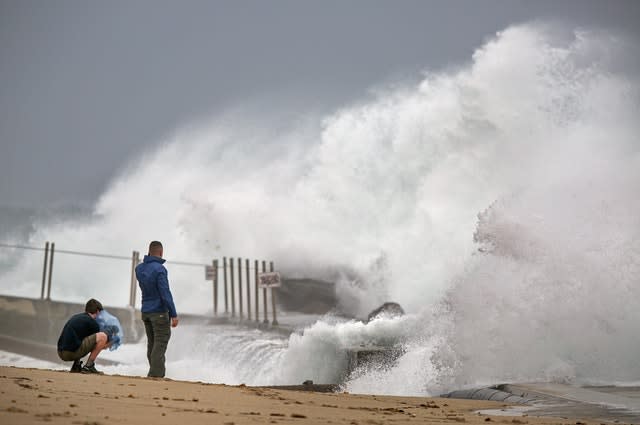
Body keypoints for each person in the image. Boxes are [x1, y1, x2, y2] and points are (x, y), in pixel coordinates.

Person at [135, 240, 179, 378]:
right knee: (160, 344)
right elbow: (165, 293)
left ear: (149, 251)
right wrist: (173, 314)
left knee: (152, 344)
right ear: (161, 252)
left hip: (145, 312)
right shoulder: (160, 269)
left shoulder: (139, 269)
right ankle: (155, 376)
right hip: (159, 312)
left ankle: (155, 373)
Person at [57, 298, 111, 374]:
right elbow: (97, 343)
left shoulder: (76, 317)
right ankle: (89, 366)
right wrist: (107, 344)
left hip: (60, 352)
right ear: (98, 311)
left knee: (80, 337)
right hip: (70, 353)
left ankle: (76, 366)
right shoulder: (92, 323)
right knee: (103, 337)